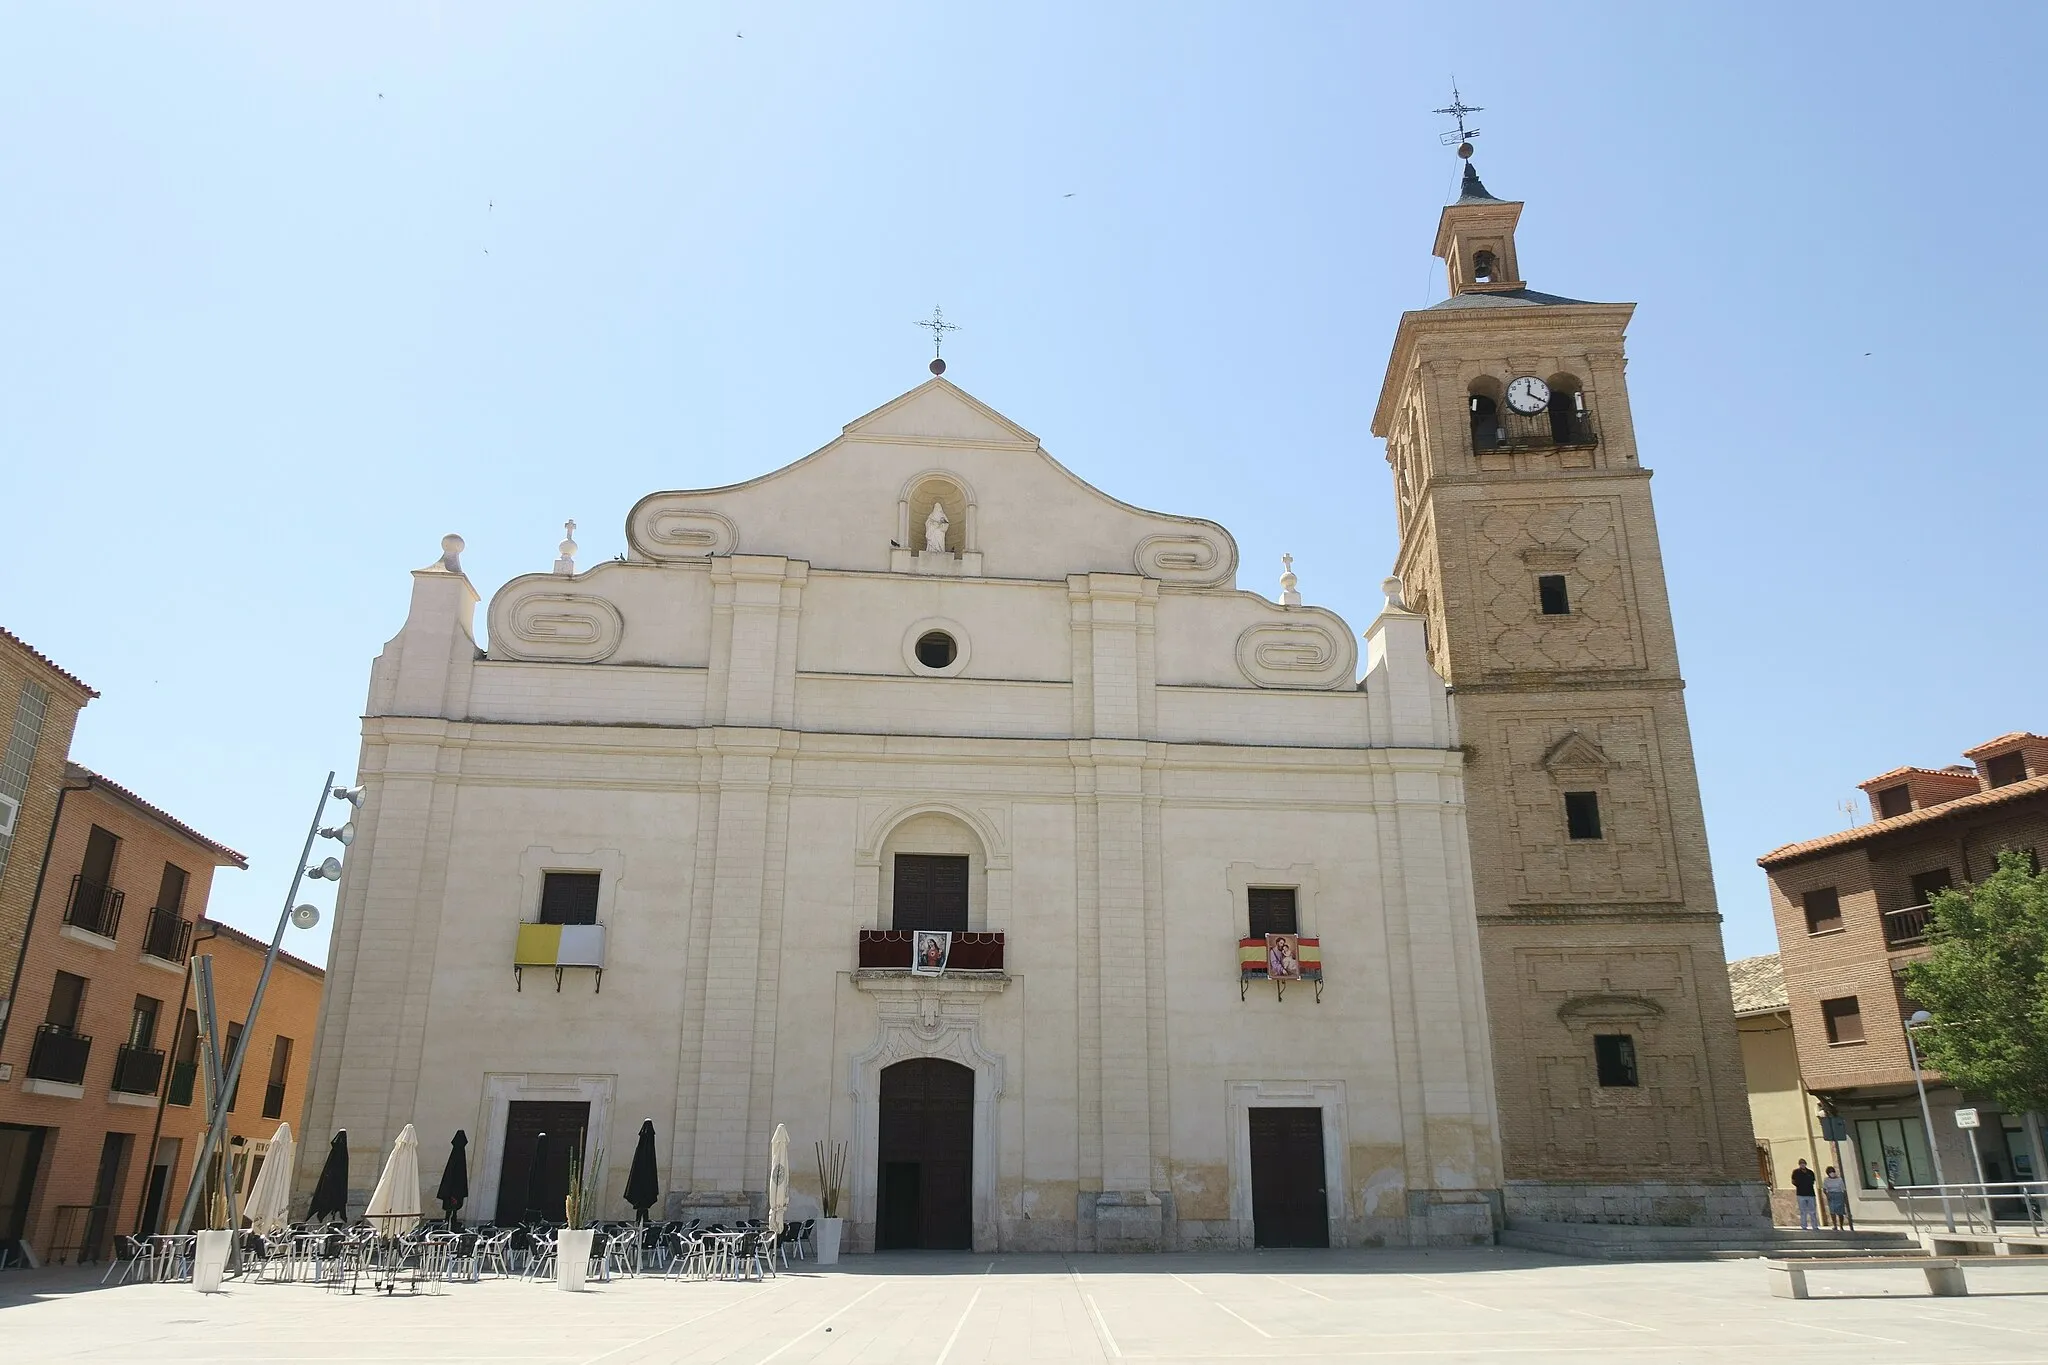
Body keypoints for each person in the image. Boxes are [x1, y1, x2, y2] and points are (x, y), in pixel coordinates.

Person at [1790, 1158, 1819, 1231]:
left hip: (1810, 1194)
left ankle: (1814, 1226)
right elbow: (1793, 1181)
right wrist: (1799, 1185)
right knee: (1803, 1211)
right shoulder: (1796, 1172)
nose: (1802, 1164)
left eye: (1803, 1163)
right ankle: (1804, 1226)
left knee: (1812, 1211)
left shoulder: (1810, 1172)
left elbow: (1813, 1181)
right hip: (1800, 1194)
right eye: (1801, 1163)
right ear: (1799, 1164)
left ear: (1806, 1164)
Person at [1822, 1165, 1853, 1231]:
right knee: (1832, 1211)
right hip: (1831, 1195)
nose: (1832, 1173)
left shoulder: (1839, 1179)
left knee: (1840, 1212)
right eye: (1830, 1172)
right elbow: (1824, 1189)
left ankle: (1841, 1226)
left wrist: (1844, 1197)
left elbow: (1843, 1189)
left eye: (1832, 1171)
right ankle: (1835, 1225)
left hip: (1839, 1195)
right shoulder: (1826, 1180)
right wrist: (1827, 1195)